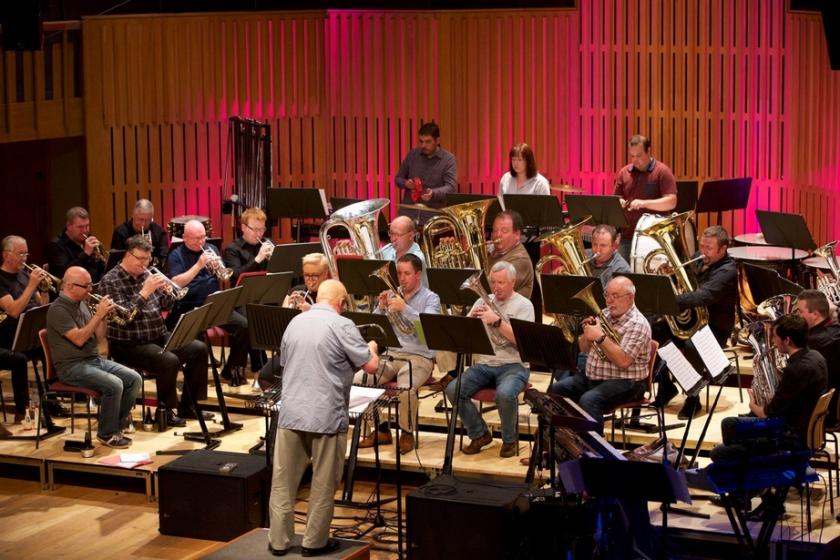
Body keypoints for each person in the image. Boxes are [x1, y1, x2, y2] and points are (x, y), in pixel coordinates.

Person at [268, 279, 380, 556]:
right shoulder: (343, 325)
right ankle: (314, 543)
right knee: (323, 484)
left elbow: (286, 363)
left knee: (282, 483)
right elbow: (371, 366)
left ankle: (278, 541)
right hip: (326, 416)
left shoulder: (295, 322)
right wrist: (372, 347)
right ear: (341, 303)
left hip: (291, 413)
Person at [99, 235, 210, 425]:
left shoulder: (147, 275)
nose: (145, 264)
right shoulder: (110, 281)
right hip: (129, 344)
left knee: (199, 349)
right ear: (127, 255)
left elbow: (165, 305)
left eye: (148, 259)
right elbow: (124, 318)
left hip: (158, 335)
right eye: (140, 259)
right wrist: (144, 292)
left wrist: (168, 293)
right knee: (168, 360)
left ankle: (188, 406)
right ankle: (165, 411)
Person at [445, 261, 534, 458]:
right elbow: (465, 334)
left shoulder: (524, 305)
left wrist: (497, 322)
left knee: (504, 394)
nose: (496, 287)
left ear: (513, 282)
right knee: (453, 390)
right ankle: (480, 434)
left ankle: (509, 440)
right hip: (485, 364)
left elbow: (524, 342)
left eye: (501, 282)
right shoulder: (481, 302)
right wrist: (471, 322)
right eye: (493, 282)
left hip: (514, 365)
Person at [45, 266, 142, 448]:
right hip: (71, 367)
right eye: (86, 286)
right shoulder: (58, 309)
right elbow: (79, 339)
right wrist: (97, 315)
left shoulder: (82, 302)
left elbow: (99, 337)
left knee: (134, 379)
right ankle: (107, 434)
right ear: (70, 286)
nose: (90, 290)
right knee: (114, 384)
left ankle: (116, 426)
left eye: (91, 285)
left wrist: (103, 318)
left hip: (92, 360)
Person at [710, 314, 827, 462]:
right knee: (734, 427)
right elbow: (792, 397)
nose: (773, 341)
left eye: (775, 337)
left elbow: (767, 414)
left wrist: (753, 405)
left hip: (789, 436)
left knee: (723, 441)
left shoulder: (796, 369)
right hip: (805, 428)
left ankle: (754, 468)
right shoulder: (816, 357)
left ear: (787, 340)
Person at [356, 254, 440, 454]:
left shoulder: (431, 298)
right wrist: (380, 308)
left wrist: (406, 309)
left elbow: (429, 330)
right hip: (392, 355)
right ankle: (381, 429)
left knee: (406, 387)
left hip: (420, 357)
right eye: (399, 273)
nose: (402, 278)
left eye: (407, 273)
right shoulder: (392, 295)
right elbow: (374, 327)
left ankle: (407, 432)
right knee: (359, 381)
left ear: (418, 274)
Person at [655, 225, 738, 419]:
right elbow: (683, 285)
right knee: (654, 332)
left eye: (709, 248)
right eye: (702, 246)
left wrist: (669, 301)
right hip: (690, 321)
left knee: (692, 345)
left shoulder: (728, 271)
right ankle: (666, 386)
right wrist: (670, 274)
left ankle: (693, 398)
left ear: (723, 249)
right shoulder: (698, 260)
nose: (703, 252)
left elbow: (704, 296)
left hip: (715, 328)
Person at [550, 276, 652, 430]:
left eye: (615, 296)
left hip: (627, 383)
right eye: (607, 295)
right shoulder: (604, 314)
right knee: (556, 390)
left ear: (630, 297)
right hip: (594, 378)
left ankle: (594, 443)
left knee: (589, 400)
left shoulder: (638, 324)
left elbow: (623, 361)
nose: (609, 301)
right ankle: (562, 437)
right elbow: (584, 349)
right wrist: (587, 334)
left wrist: (600, 337)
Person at [167, 220, 256, 384]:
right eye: (196, 238)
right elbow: (176, 283)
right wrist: (198, 265)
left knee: (244, 326)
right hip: (189, 306)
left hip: (214, 303)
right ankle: (195, 382)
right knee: (197, 342)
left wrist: (219, 268)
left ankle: (231, 369)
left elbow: (224, 277)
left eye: (203, 237)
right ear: (185, 238)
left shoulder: (211, 248)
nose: (202, 241)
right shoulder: (176, 255)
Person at [257, 253, 331, 391]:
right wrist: (287, 309)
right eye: (306, 275)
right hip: (292, 348)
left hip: (317, 351)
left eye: (315, 275)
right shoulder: (296, 291)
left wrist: (311, 310)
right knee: (265, 377)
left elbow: (334, 325)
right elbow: (281, 324)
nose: (310, 280)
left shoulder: (331, 293)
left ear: (325, 273)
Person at [0, 236, 50, 428]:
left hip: (28, 331)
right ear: (6, 255)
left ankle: (50, 400)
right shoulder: (1, 279)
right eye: (21, 253)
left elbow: (41, 304)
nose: (25, 258)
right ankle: (22, 410)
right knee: (19, 359)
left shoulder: (23, 274)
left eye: (26, 253)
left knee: (49, 347)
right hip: (8, 336)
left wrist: (44, 289)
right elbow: (13, 311)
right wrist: (31, 285)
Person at [613, 135, 677, 261]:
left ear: (648, 151)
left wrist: (644, 203)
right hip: (627, 237)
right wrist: (619, 202)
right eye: (632, 156)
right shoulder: (624, 172)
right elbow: (616, 199)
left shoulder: (662, 171)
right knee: (623, 272)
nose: (635, 160)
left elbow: (671, 202)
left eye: (639, 155)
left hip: (652, 239)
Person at [394, 122, 457, 221]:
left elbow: (450, 187)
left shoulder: (448, 159)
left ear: (437, 141)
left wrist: (433, 193)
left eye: (428, 142)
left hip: (433, 215)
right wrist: (405, 183)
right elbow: (398, 179)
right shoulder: (412, 155)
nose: (423, 145)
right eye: (421, 141)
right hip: (409, 214)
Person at [794, 290, 840, 424]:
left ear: (815, 314)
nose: (796, 316)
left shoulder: (813, 342)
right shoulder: (835, 328)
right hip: (829, 405)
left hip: (819, 412)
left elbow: (797, 381)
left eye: (800, 312)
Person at [46, 206, 105, 283]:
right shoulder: (55, 245)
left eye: (87, 226)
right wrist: (85, 254)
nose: (85, 230)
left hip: (94, 285)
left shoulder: (89, 239)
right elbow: (63, 274)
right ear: (69, 226)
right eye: (80, 227)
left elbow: (101, 269)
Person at [487, 210, 534, 298]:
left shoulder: (520, 260)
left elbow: (492, 289)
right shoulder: (491, 251)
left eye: (504, 231)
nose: (498, 235)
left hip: (505, 307)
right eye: (495, 230)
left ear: (517, 235)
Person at [223, 207, 273, 285]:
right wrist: (258, 259)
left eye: (262, 229)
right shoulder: (232, 249)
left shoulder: (267, 243)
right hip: (245, 291)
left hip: (267, 287)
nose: (259, 234)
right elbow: (235, 276)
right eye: (255, 229)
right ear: (243, 227)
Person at [110, 199, 169, 266]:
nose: (143, 223)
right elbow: (116, 260)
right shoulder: (120, 232)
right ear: (133, 215)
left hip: (152, 269)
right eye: (140, 219)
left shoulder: (159, 232)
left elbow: (164, 258)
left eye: (148, 220)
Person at [379, 215, 428, 286]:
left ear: (410, 235)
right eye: (391, 233)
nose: (393, 239)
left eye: (397, 234)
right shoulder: (386, 251)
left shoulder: (418, 259)